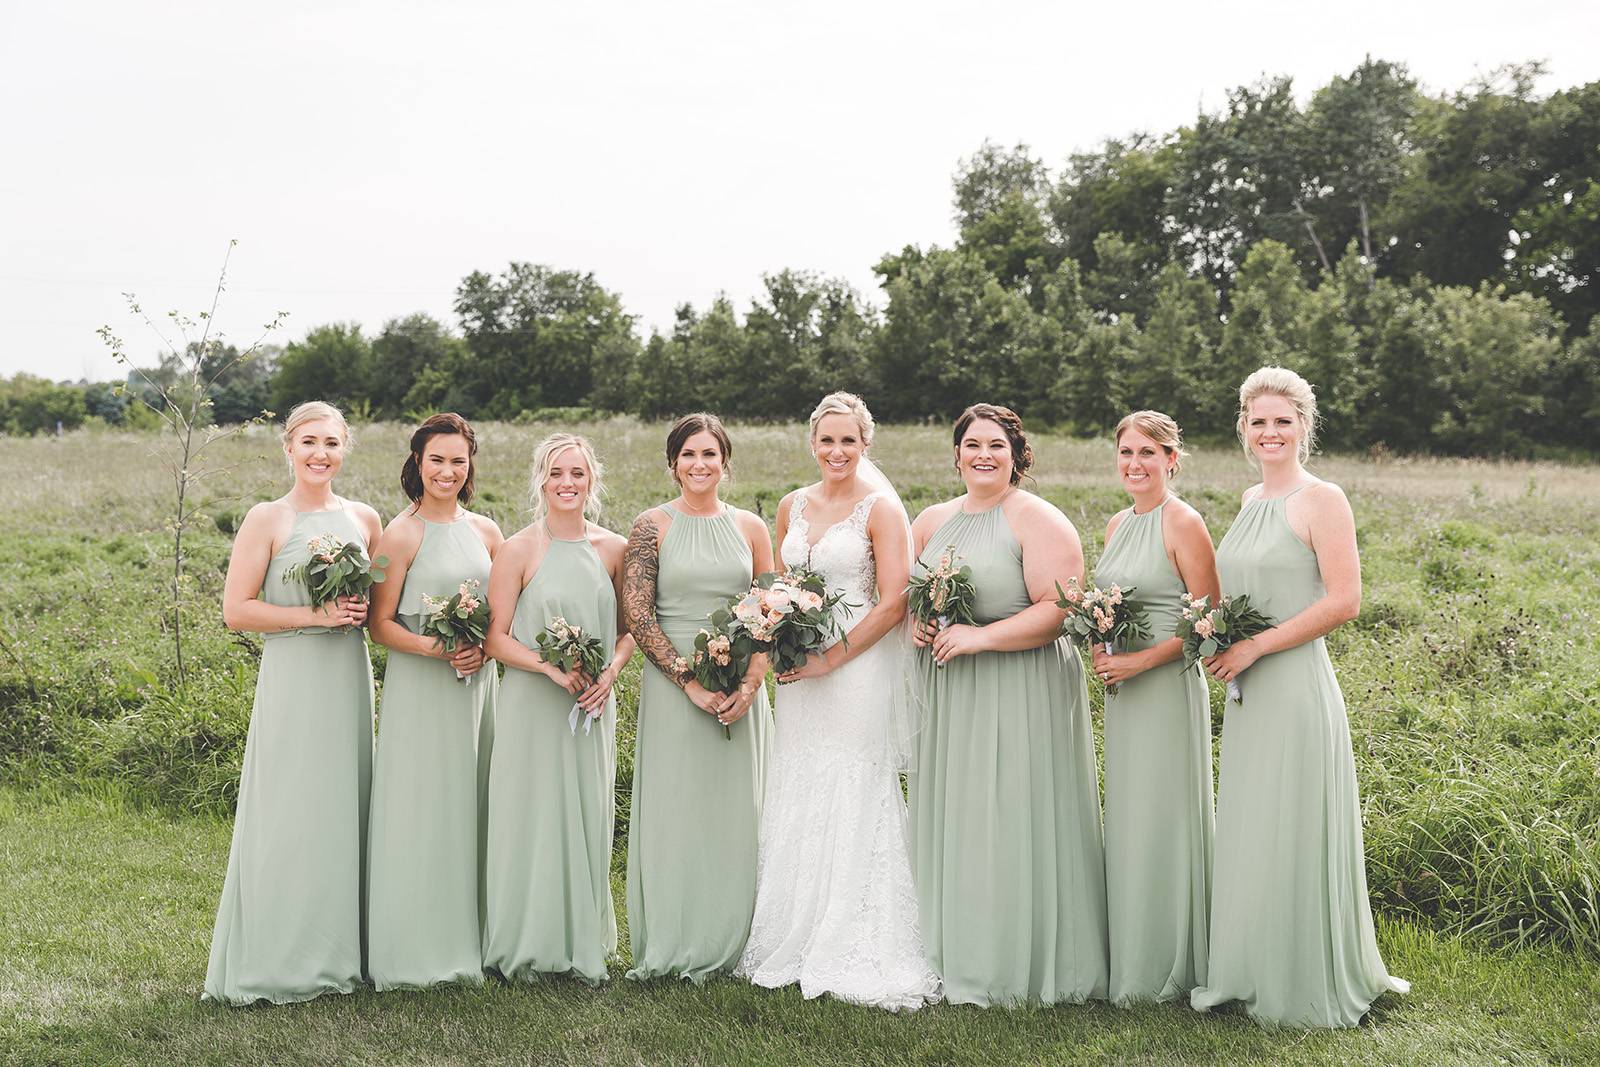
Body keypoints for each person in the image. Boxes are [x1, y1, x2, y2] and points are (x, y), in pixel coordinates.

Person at [1192, 366, 1409, 1028]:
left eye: (1283, 420)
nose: (1270, 431)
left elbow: (1345, 599)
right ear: (1244, 428)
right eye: (1258, 420)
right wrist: (1211, 633)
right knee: (1255, 829)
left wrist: (1257, 647)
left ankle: (1307, 976)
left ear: (1304, 427)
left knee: (1294, 826)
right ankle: (1250, 966)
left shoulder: (1323, 499)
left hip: (1296, 687)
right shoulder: (1250, 495)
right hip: (1248, 694)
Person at [735, 392, 940, 1011]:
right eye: (827, 440)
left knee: (854, 782)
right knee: (801, 779)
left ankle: (857, 934)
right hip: (800, 668)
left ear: (866, 443)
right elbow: (777, 586)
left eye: (849, 440)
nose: (837, 452)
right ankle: (793, 931)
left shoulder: (881, 507)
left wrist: (834, 657)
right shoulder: (791, 505)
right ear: (812, 443)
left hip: (858, 668)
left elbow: (895, 599)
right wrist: (777, 635)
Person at [908, 403, 1109, 1006]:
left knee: (1011, 814)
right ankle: (945, 949)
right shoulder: (931, 520)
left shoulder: (1039, 520)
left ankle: (1014, 960)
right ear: (956, 453)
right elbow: (912, 596)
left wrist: (980, 637)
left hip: (1019, 686)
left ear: (1017, 455)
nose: (983, 455)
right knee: (959, 815)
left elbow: (1057, 610)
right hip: (951, 693)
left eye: (996, 445)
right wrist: (919, 623)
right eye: (972, 444)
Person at [204, 401, 382, 1005]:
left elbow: (380, 605)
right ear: (288, 447)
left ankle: (344, 954)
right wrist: (315, 614)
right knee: (289, 810)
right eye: (309, 442)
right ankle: (281, 957)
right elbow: (236, 611)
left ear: (344, 448)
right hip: (294, 678)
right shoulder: (266, 518)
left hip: (347, 681)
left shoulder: (364, 518)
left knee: (343, 807)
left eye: (331, 443)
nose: (320, 453)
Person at [622, 413, 774, 983]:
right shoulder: (650, 525)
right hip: (674, 690)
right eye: (688, 454)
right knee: (676, 808)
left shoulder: (752, 527)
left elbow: (771, 613)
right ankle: (673, 936)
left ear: (725, 462)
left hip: (740, 687)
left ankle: (739, 938)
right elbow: (638, 614)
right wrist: (687, 681)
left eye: (710, 454)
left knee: (739, 815)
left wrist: (751, 682)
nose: (699, 464)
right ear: (672, 464)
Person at [482, 433, 633, 985]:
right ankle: (527, 940)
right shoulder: (517, 549)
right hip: (531, 704)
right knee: (532, 815)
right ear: (540, 480)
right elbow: (496, 638)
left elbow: (629, 631)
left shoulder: (614, 550)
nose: (567, 483)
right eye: (556, 473)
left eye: (577, 473)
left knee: (586, 813)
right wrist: (548, 668)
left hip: (592, 704)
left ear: (592, 480)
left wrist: (610, 675)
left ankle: (580, 941)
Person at [366, 413, 502, 990]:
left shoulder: (490, 532)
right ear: (417, 463)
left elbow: (504, 617)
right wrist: (441, 648)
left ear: (470, 466)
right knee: (422, 807)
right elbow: (378, 624)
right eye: (437, 459)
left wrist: (484, 652)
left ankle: (476, 935)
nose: (447, 471)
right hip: (422, 690)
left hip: (477, 692)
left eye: (458, 460)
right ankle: (413, 945)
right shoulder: (397, 535)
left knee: (473, 802)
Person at [1091, 410, 1219, 1005]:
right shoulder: (1119, 522)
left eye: (1149, 453)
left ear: (1172, 459)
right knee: (1132, 814)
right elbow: (1109, 603)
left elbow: (1207, 622)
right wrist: (1097, 636)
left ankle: (1173, 959)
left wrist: (1141, 662)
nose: (1136, 464)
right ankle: (1132, 954)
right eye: (1127, 453)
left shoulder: (1184, 522)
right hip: (1124, 696)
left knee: (1165, 816)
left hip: (1166, 689)